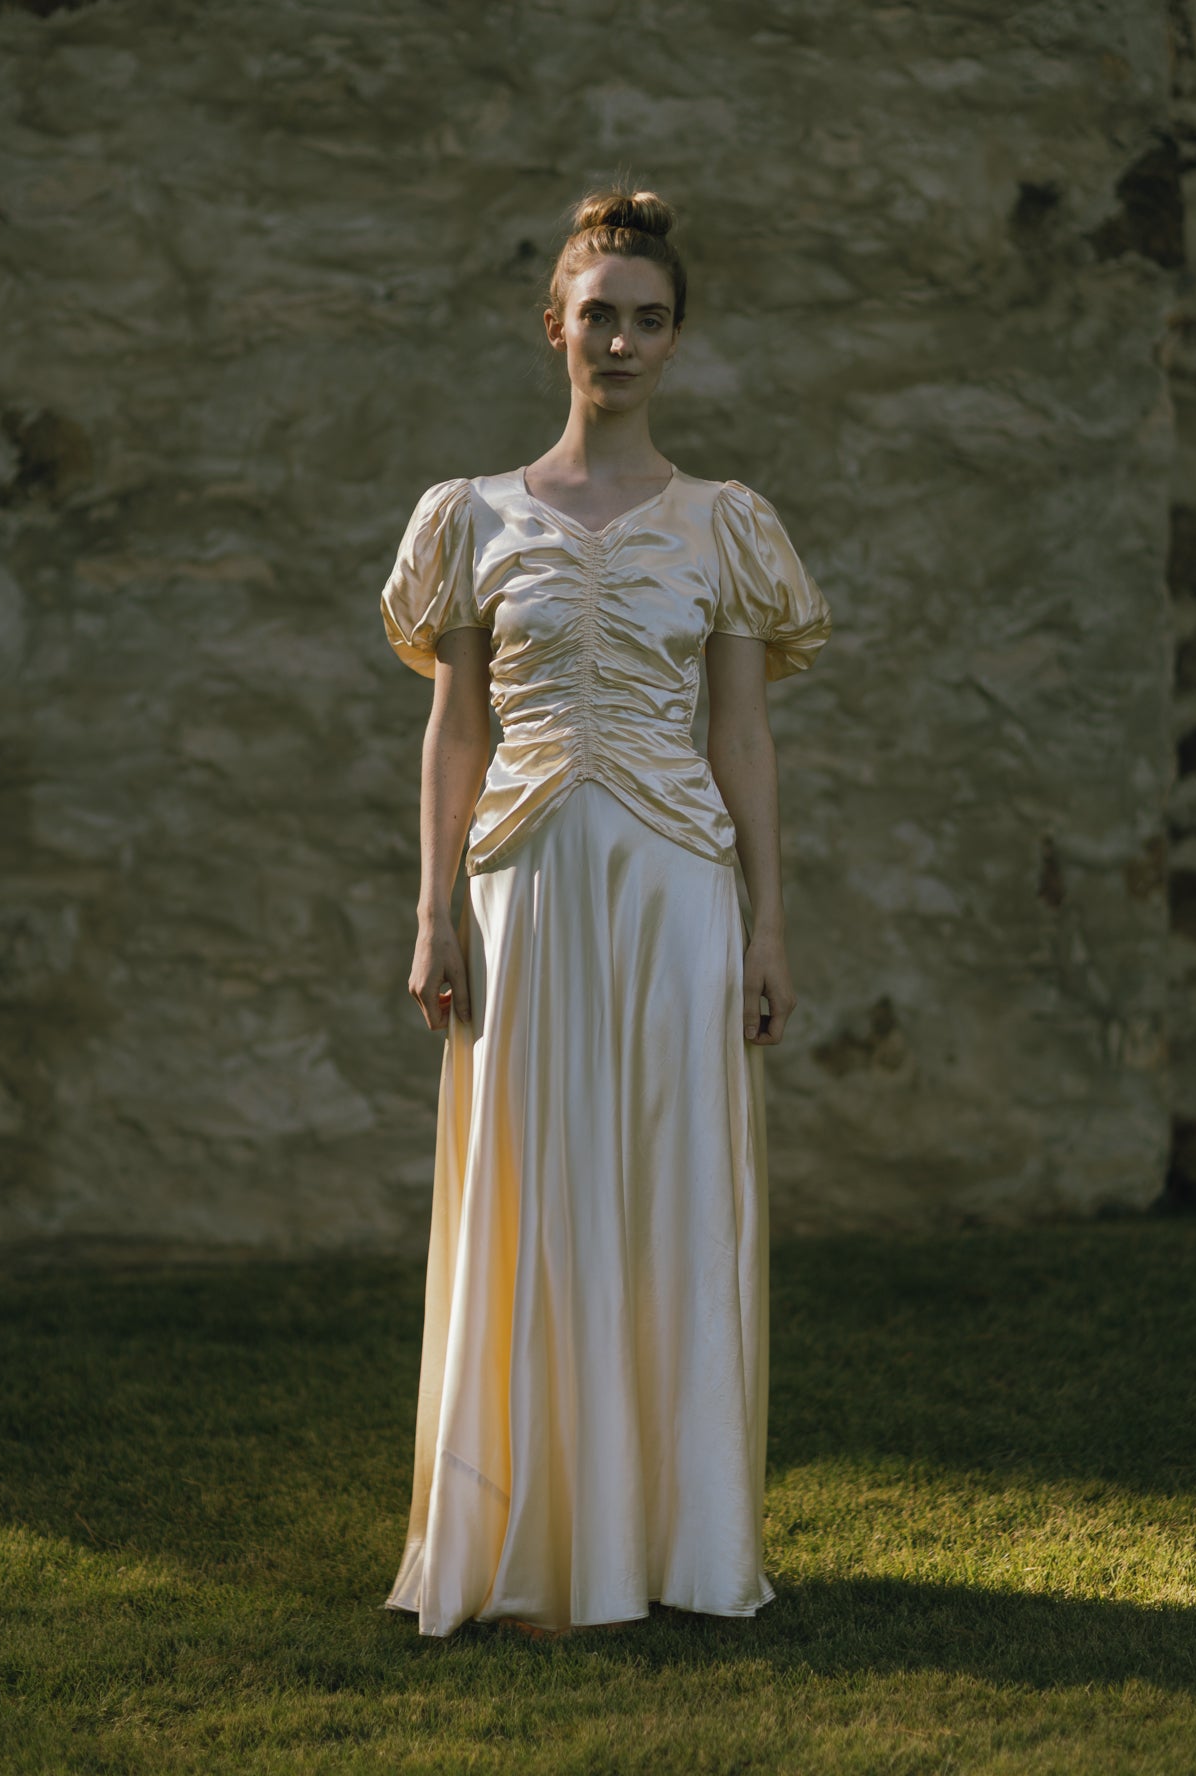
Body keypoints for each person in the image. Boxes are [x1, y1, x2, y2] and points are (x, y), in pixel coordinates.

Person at [379, 187, 832, 1638]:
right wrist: (432, 908)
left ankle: (676, 1545)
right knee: (527, 1186)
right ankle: (525, 1547)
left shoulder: (728, 525)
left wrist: (767, 926)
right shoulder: (468, 518)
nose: (620, 340)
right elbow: (453, 731)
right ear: (554, 329)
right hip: (519, 892)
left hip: (675, 893)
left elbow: (743, 739)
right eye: (598, 315)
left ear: (674, 338)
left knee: (671, 1194)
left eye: (646, 318)